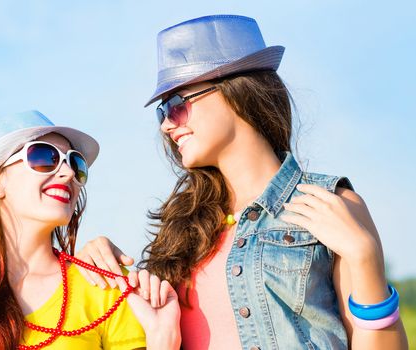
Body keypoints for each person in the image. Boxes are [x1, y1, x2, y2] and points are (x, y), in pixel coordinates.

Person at [75, 15, 408, 349]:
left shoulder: (332, 203)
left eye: (176, 105)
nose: (166, 125)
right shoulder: (181, 232)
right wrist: (98, 265)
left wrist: (365, 258)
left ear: (236, 91)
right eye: (162, 113)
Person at [0, 111, 181, 349]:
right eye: (43, 157)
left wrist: (162, 343)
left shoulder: (107, 287)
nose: (67, 173)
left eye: (76, 164)